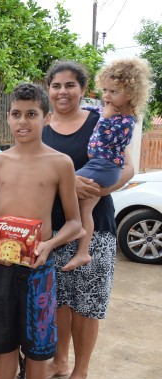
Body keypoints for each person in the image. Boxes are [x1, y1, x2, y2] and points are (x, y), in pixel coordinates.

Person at [0, 83, 82, 379]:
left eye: (31, 114)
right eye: (16, 114)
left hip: (39, 271)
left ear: (46, 118)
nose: (23, 121)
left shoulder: (60, 163)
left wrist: (48, 245)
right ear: (7, 118)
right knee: (2, 344)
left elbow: (75, 223)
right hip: (2, 268)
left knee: (37, 350)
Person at [42, 61, 135, 379]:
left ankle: (80, 374)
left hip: (94, 228)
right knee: (59, 301)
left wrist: (99, 190)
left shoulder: (100, 120)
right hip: (53, 229)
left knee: (87, 304)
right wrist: (64, 186)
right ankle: (60, 361)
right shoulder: (41, 127)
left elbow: (126, 167)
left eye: (70, 85)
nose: (62, 91)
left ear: (83, 90)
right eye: (56, 85)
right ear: (48, 90)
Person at [61, 58, 152, 271]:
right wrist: (95, 111)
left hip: (104, 168)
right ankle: (82, 251)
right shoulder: (113, 111)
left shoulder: (127, 121)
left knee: (66, 186)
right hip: (101, 166)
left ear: (130, 93)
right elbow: (97, 111)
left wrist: (104, 118)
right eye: (105, 90)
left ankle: (75, 233)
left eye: (114, 92)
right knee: (85, 210)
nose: (107, 96)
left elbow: (104, 139)